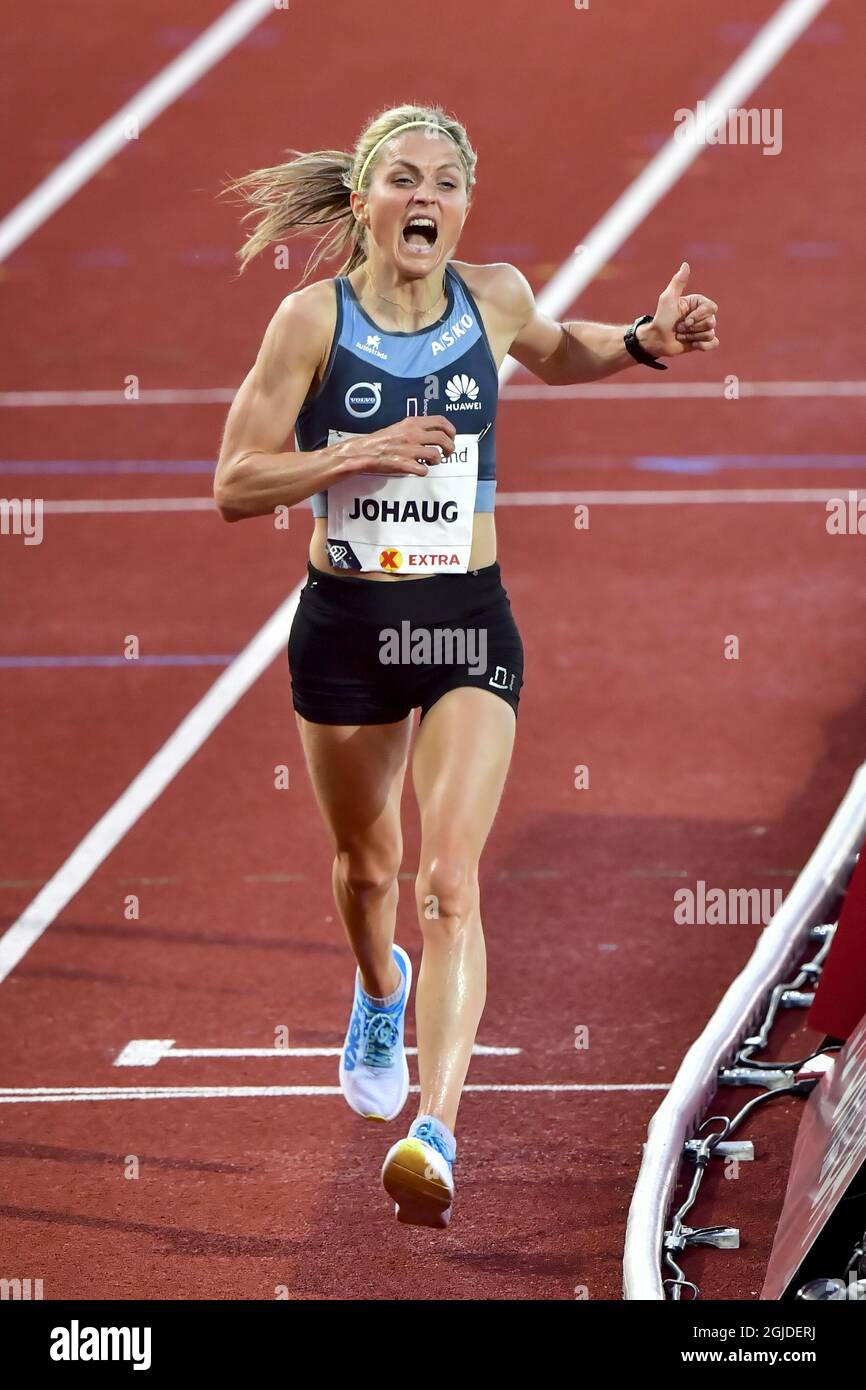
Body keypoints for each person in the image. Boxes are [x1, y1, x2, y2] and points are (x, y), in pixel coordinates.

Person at [214, 102, 719, 1228]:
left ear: (464, 204)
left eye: (445, 181)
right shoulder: (311, 323)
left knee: (449, 881)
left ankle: (433, 1130)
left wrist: (643, 340)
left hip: (462, 627)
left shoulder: (491, 296)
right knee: (367, 870)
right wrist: (356, 452)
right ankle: (377, 989)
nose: (425, 197)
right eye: (403, 178)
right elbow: (234, 483)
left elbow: (555, 351)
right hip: (345, 625)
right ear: (361, 200)